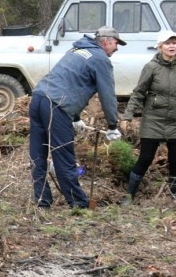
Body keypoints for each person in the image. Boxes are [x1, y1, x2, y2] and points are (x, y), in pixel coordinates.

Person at [28, 25, 124, 209]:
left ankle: (42, 201)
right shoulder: (100, 58)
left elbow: (71, 81)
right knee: (63, 156)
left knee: (37, 156)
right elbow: (107, 95)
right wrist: (113, 125)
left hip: (39, 98)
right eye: (115, 43)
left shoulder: (77, 50)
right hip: (56, 106)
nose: (117, 47)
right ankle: (78, 203)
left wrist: (75, 117)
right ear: (105, 42)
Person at [120, 33, 176, 204]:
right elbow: (138, 92)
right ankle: (129, 196)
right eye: (168, 43)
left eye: (175, 43)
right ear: (160, 46)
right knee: (145, 159)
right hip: (153, 120)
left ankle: (175, 195)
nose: (172, 46)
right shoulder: (151, 67)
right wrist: (127, 116)